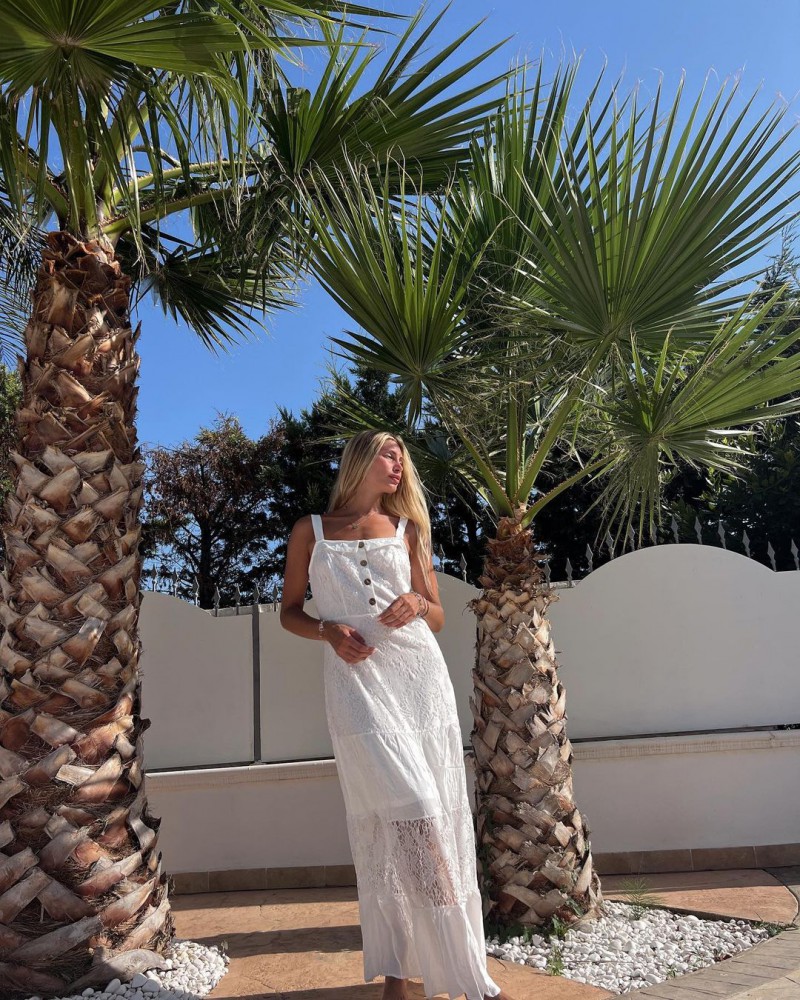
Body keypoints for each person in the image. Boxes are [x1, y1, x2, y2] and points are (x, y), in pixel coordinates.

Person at [280, 429, 513, 1000]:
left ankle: (403, 978)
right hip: (355, 686)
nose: (399, 465)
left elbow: (436, 617)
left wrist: (417, 600)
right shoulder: (311, 530)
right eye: (390, 454)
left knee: (409, 823)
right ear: (361, 459)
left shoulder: (409, 529)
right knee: (413, 810)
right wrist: (327, 631)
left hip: (417, 680)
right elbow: (288, 612)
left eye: (402, 458)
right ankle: (456, 972)